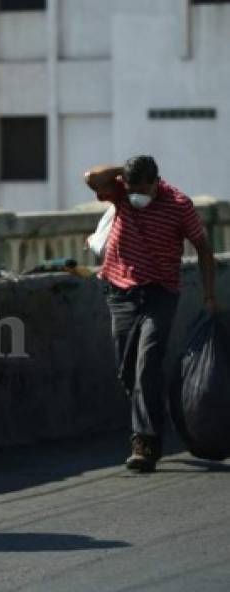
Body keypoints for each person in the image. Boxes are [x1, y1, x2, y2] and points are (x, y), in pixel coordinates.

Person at [84, 155, 218, 473]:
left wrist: (209, 294)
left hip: (160, 292)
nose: (137, 197)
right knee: (128, 372)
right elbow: (91, 178)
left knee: (148, 362)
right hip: (119, 290)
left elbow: (203, 247)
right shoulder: (121, 192)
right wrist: (121, 173)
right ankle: (154, 412)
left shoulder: (178, 204)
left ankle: (145, 442)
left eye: (143, 189)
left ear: (157, 182)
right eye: (132, 189)